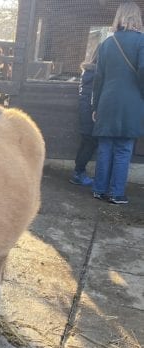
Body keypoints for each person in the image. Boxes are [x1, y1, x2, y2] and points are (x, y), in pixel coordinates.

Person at [91, 1, 144, 204]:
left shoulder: (106, 44)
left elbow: (98, 78)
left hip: (106, 101)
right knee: (123, 149)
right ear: (137, 18)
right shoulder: (141, 42)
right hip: (130, 103)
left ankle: (98, 189)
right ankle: (116, 194)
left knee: (105, 147)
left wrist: (95, 106)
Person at [69, 47, 99, 186]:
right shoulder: (96, 73)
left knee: (86, 142)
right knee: (90, 142)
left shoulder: (88, 71)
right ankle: (78, 173)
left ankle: (78, 171)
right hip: (90, 113)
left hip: (84, 111)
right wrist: (95, 110)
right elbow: (94, 95)